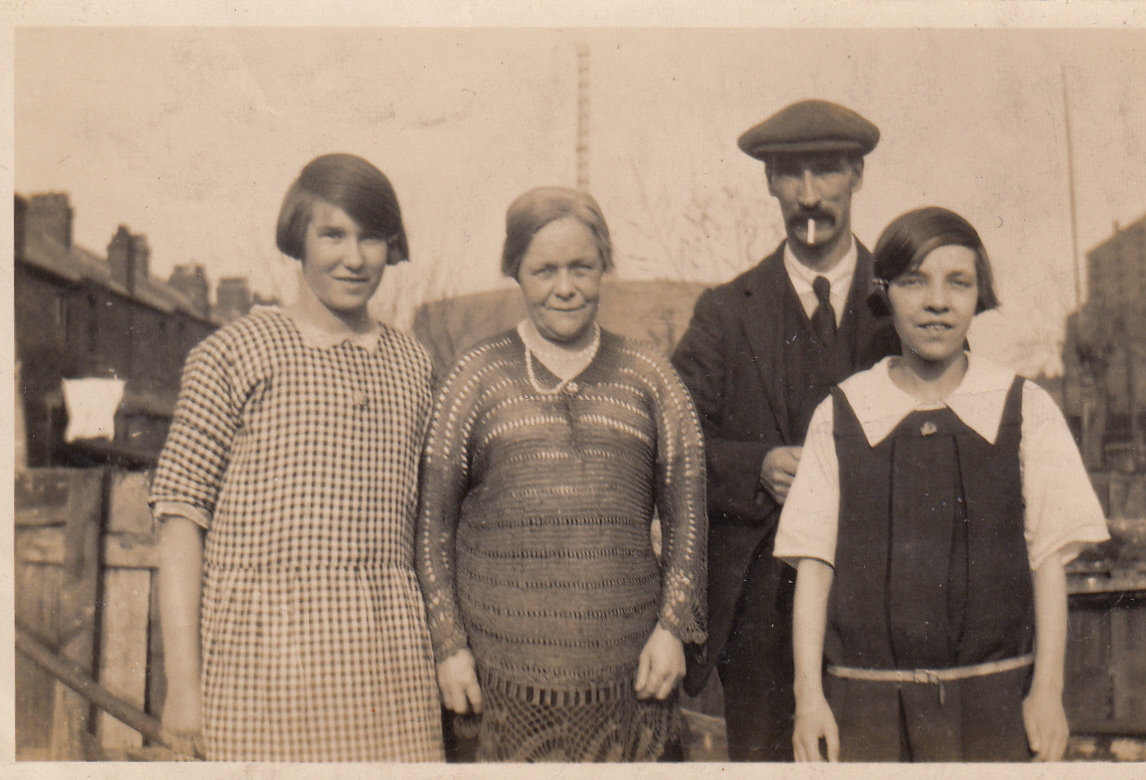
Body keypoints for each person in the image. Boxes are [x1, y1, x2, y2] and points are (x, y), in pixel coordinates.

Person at [776, 206, 1111, 762]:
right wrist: (809, 699)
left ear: (980, 293)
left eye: (958, 282)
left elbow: (1049, 561)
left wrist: (1047, 692)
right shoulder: (842, 414)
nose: (938, 302)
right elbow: (814, 566)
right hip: (866, 708)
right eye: (915, 282)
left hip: (996, 703)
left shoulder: (1024, 408)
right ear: (885, 293)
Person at [150, 153, 444, 761]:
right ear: (298, 238)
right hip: (265, 667)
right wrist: (183, 687)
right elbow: (180, 521)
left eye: (371, 237)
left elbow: (427, 529)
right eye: (332, 234)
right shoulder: (234, 353)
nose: (354, 258)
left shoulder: (414, 365)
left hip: (389, 669)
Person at [416, 186, 707, 762]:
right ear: (515, 272)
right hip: (499, 686)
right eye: (544, 270)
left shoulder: (650, 376)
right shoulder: (473, 377)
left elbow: (688, 521)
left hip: (632, 684)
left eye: (582, 267)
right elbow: (432, 529)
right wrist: (448, 647)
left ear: (605, 267)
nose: (565, 287)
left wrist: (673, 629)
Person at [670, 99, 900, 761]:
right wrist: (757, 466)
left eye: (825, 171)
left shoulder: (908, 301)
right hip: (762, 615)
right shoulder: (723, 313)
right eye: (790, 175)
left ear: (857, 175)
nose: (809, 196)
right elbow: (676, 443)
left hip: (885, 600)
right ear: (769, 182)